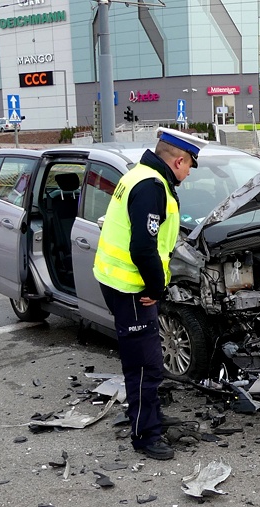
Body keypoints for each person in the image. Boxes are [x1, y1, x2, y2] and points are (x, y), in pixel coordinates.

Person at [92, 127, 207, 461]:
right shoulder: (150, 187)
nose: (188, 173)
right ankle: (145, 435)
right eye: (189, 166)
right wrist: (156, 288)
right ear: (179, 160)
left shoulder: (139, 175)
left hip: (118, 281)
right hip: (132, 288)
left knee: (143, 362)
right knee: (145, 365)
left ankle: (147, 417)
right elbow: (143, 247)